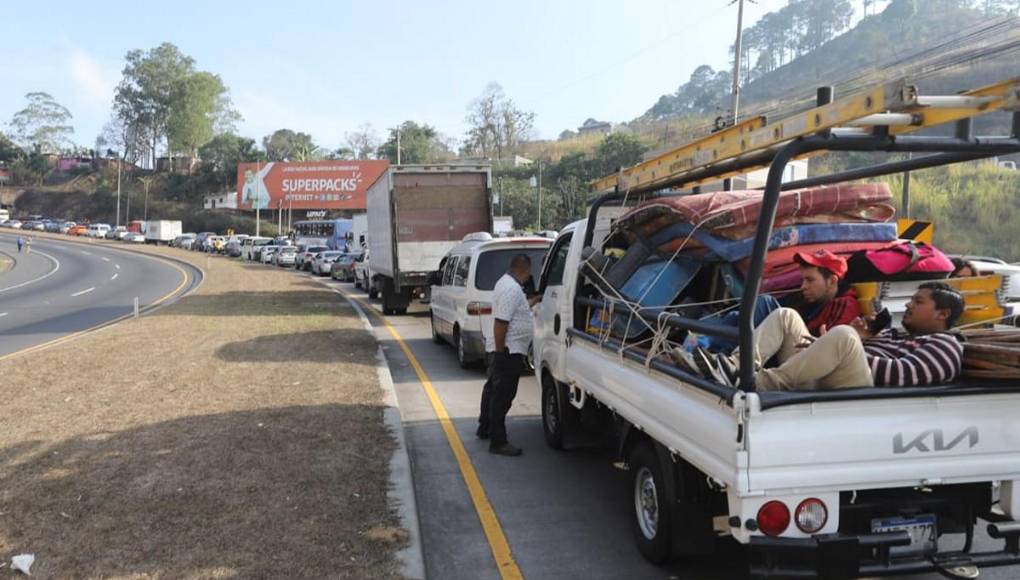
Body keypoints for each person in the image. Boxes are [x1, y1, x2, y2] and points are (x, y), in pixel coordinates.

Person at [686, 282, 964, 392]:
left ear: (943, 314)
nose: (908, 305)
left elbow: (902, 376)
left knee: (842, 335)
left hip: (864, 398)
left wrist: (845, 346)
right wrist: (860, 339)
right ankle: (737, 367)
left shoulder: (945, 346)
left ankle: (755, 382)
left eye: (918, 302)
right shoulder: (897, 334)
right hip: (834, 376)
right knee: (786, 316)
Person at [477, 254, 542, 456]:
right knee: (502, 396)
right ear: (526, 270)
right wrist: (500, 352)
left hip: (504, 349)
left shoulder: (507, 285)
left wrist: (535, 300)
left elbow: (517, 309)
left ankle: (485, 427)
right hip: (507, 351)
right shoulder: (511, 289)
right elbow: (501, 323)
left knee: (492, 390)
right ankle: (498, 441)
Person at [791, 249, 861, 336]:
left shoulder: (845, 305)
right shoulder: (809, 300)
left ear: (832, 281)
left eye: (810, 280)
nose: (803, 286)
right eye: (802, 280)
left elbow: (828, 344)